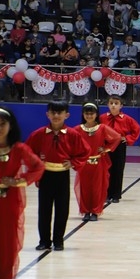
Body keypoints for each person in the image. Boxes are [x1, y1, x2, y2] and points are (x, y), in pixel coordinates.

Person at [0, 108, 45, 279]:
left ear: (10, 125)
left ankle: (1, 277)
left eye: (2, 124)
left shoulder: (19, 148)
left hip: (9, 200)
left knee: (6, 240)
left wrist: (18, 180)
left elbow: (38, 167)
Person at [26, 101, 91, 251]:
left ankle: (58, 240)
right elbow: (27, 152)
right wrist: (36, 165)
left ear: (66, 115)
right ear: (47, 114)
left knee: (62, 209)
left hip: (62, 175)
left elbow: (85, 151)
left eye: (59, 113)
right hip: (45, 176)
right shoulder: (38, 134)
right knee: (44, 209)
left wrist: (73, 162)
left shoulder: (73, 135)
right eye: (53, 112)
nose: (56, 116)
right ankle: (44, 241)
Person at [74, 103, 121, 222]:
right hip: (84, 164)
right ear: (83, 114)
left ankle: (95, 211)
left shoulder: (102, 128)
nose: (89, 116)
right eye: (87, 113)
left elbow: (117, 137)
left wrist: (106, 149)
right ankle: (85, 211)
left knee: (97, 188)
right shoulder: (78, 129)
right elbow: (70, 142)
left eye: (92, 113)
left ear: (96, 114)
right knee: (84, 188)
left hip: (98, 162)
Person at [99, 95, 140, 204]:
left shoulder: (126, 119)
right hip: (106, 146)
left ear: (121, 105)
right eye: (111, 103)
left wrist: (127, 139)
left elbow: (136, 129)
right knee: (107, 170)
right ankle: (107, 194)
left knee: (118, 170)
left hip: (119, 145)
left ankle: (116, 195)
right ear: (108, 104)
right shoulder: (102, 118)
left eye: (116, 103)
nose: (113, 105)